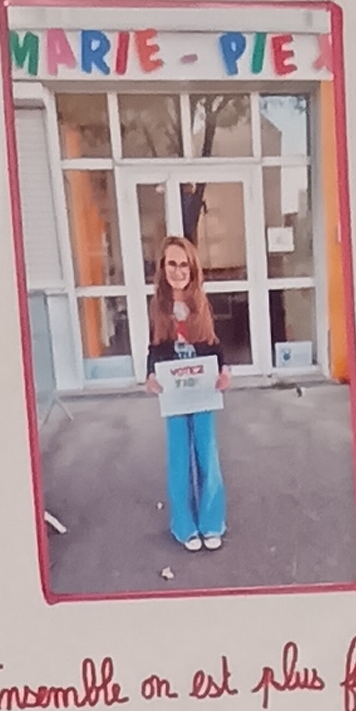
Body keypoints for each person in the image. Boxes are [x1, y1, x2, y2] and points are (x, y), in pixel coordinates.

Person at [152, 229, 227, 558]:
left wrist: (224, 371)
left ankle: (212, 523)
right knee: (179, 460)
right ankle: (184, 525)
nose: (178, 271)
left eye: (184, 265)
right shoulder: (158, 306)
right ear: (163, 267)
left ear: (192, 268)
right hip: (174, 392)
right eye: (172, 264)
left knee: (206, 455)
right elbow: (154, 347)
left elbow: (213, 344)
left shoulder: (201, 303)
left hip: (203, 390)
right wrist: (150, 375)